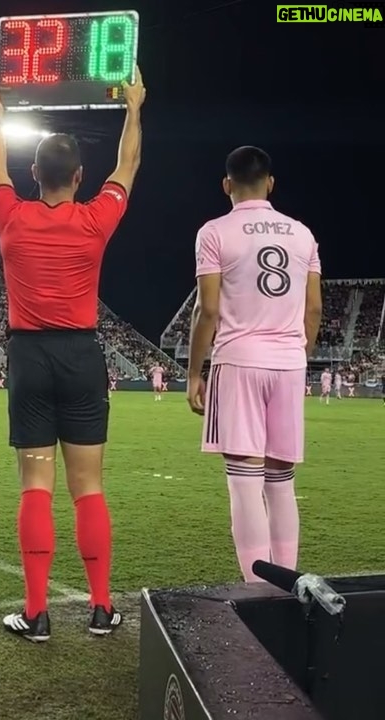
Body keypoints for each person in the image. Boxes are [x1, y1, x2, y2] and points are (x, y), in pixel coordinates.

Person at [0, 68, 145, 642]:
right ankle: (101, 609)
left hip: (28, 358)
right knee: (89, 487)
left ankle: (37, 614)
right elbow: (126, 168)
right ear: (79, 177)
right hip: (83, 356)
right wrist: (133, 109)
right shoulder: (96, 218)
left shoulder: (11, 216)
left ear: (35, 174)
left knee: (35, 483)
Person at [187, 146, 322, 582]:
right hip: (288, 363)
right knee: (281, 480)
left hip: (239, 361)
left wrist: (194, 373)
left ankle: (256, 587)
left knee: (244, 480)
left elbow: (207, 310)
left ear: (227, 185)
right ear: (271, 183)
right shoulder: (303, 235)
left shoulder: (214, 232)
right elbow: (314, 309)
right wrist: (298, 356)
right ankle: (288, 586)